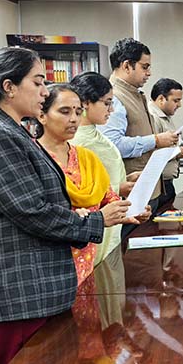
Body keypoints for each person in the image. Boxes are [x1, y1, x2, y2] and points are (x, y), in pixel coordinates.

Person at [0, 47, 136, 364]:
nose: (45, 91)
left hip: (37, 291)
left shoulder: (12, 131)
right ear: (9, 87)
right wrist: (97, 221)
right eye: (38, 82)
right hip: (17, 293)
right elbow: (33, 212)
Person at [35, 84, 150, 286]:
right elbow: (38, 213)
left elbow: (109, 199)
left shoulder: (86, 157)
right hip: (50, 263)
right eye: (64, 111)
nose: (73, 119)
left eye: (78, 112)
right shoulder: (33, 159)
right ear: (42, 115)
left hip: (89, 258)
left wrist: (131, 211)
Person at [102, 37, 179, 215]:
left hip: (146, 187)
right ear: (127, 65)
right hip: (130, 190)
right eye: (145, 67)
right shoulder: (114, 96)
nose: (149, 73)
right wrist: (156, 141)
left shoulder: (135, 94)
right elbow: (113, 145)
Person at [148, 78, 183, 206]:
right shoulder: (152, 117)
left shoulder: (165, 117)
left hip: (166, 183)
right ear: (161, 99)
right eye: (176, 101)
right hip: (158, 185)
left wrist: (181, 151)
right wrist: (178, 152)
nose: (179, 105)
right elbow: (151, 152)